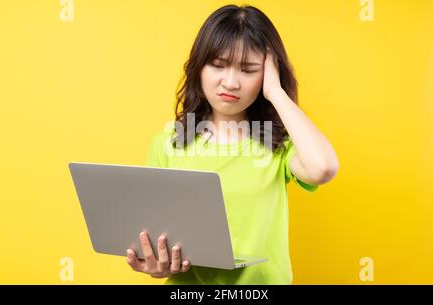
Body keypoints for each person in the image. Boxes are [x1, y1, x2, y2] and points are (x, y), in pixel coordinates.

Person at [125, 4, 339, 284]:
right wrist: (157, 264)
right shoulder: (169, 142)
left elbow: (323, 168)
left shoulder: (277, 145)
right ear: (199, 67)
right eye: (218, 65)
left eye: (249, 69)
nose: (231, 82)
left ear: (267, 74)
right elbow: (152, 237)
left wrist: (276, 92)